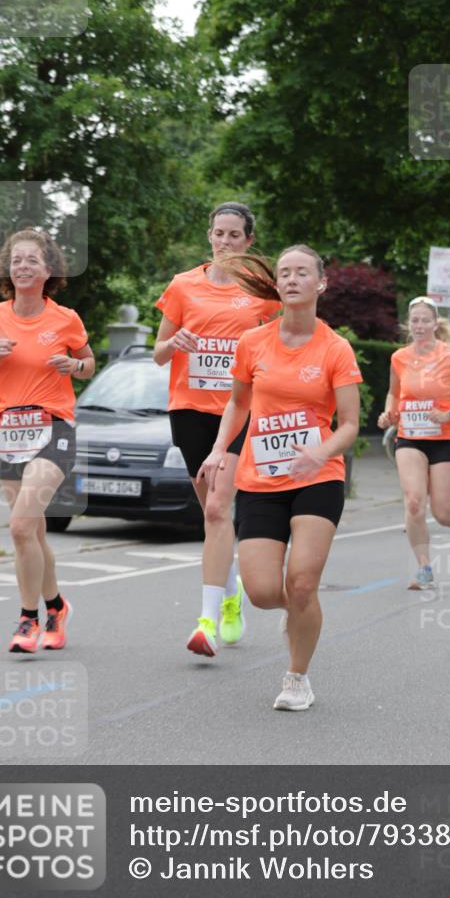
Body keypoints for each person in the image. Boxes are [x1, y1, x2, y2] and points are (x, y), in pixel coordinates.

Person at [198, 245, 362, 711]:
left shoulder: (335, 348)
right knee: (265, 591)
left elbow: (349, 422)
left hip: (318, 476)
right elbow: (238, 402)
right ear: (277, 285)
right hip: (260, 479)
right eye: (284, 273)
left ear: (320, 284)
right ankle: (299, 614)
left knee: (303, 584)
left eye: (301, 273)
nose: (291, 279)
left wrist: (321, 451)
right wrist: (217, 449)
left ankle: (297, 677)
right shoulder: (253, 343)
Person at [153, 203, 282, 658]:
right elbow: (158, 353)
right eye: (218, 234)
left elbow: (286, 338)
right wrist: (175, 342)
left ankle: (207, 621)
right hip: (190, 409)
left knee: (216, 511)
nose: (225, 242)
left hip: (239, 412)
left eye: (234, 235)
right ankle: (231, 594)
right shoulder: (183, 285)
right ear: (209, 236)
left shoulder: (263, 291)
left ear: (248, 241)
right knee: (213, 512)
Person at [0, 229, 95, 652]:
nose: (22, 266)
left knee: (20, 527)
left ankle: (27, 620)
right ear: (8, 268)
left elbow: (89, 364)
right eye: (16, 260)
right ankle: (56, 607)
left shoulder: (65, 318)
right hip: (7, 431)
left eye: (31, 260)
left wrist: (72, 364)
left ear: (48, 269)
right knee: (32, 533)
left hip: (53, 427)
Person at [377, 296, 450, 590]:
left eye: (426, 320)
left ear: (435, 323)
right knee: (413, 502)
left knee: (441, 511)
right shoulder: (399, 358)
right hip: (410, 437)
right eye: (415, 321)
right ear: (408, 325)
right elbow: (394, 393)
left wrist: (449, 413)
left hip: (445, 438)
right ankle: (424, 566)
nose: (420, 325)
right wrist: (390, 413)